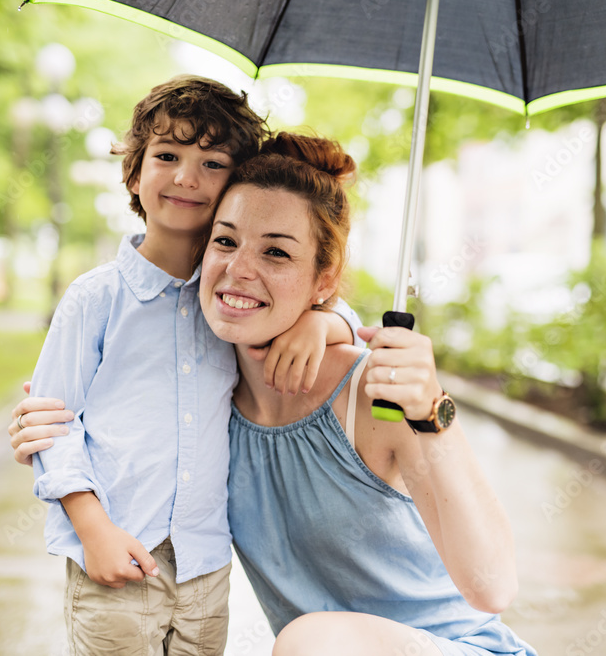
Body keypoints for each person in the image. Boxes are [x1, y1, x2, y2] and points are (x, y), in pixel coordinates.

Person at [12, 132, 537, 656]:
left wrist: (432, 414)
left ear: (322, 280)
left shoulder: (376, 396)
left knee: (313, 640)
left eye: (277, 252)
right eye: (225, 240)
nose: (239, 270)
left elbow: (492, 587)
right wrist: (48, 424)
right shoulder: (211, 403)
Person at [25, 78, 361, 656]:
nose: (186, 177)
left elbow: (338, 309)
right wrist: (93, 530)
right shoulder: (96, 299)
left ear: (235, 187)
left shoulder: (234, 297)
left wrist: (322, 323)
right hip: (116, 553)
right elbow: (51, 426)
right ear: (134, 174)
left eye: (212, 163)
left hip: (204, 562)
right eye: (167, 157)